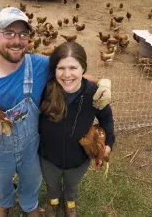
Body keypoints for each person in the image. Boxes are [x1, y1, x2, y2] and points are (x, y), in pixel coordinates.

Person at [0, 7, 112, 217]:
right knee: (1, 180)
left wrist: (101, 83)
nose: (16, 40)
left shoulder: (39, 65)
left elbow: (70, 71)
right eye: (8, 33)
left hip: (31, 146)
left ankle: (29, 206)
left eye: (22, 34)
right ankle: (4, 203)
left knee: (31, 180)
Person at [38, 42, 115, 217]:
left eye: (73, 67)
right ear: (54, 70)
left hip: (78, 158)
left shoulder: (94, 94)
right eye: (61, 68)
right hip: (48, 156)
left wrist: (109, 143)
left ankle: (70, 202)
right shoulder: (45, 91)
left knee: (72, 183)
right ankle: (53, 201)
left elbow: (107, 119)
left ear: (83, 69)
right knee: (51, 182)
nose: (67, 75)